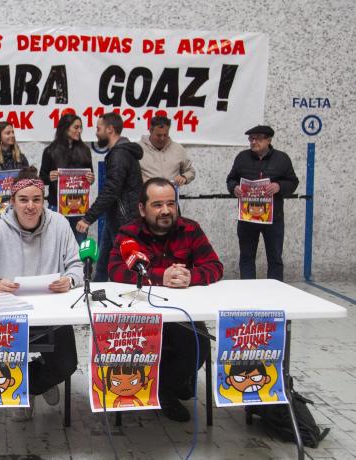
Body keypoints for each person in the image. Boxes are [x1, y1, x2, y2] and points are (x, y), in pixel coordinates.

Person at [0, 166, 83, 420]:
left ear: (43, 201)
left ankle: (30, 387)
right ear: (13, 202)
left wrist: (70, 279)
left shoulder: (59, 224)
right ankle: (23, 391)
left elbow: (76, 266)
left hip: (52, 315)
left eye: (36, 199)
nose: (31, 206)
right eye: (23, 200)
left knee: (67, 364)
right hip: (10, 316)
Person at [108, 177, 224, 422]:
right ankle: (168, 388)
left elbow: (215, 266)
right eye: (158, 205)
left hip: (182, 312)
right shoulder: (128, 233)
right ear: (142, 208)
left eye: (171, 204)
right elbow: (115, 270)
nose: (166, 211)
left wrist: (191, 276)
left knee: (198, 346)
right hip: (140, 316)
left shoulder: (190, 229)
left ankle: (165, 389)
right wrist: (161, 276)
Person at [76, 112, 143, 281]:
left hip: (124, 221)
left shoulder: (119, 155)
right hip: (115, 217)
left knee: (124, 269)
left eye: (99, 129)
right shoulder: (120, 152)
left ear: (110, 129)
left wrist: (88, 218)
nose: (97, 133)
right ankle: (98, 295)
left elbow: (111, 190)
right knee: (102, 267)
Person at [226, 125, 299, 281]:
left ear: (269, 140)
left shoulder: (282, 158)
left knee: (275, 257)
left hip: (273, 218)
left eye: (257, 138)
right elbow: (231, 179)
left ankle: (274, 290)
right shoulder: (242, 157)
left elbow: (293, 182)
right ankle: (248, 289)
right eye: (251, 139)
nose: (253, 142)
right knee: (246, 256)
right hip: (247, 217)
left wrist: (279, 186)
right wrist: (234, 188)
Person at [39, 114, 95, 243]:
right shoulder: (50, 151)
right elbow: (41, 178)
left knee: (79, 242)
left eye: (81, 127)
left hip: (79, 207)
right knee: (57, 243)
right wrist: (49, 177)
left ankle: (79, 264)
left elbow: (90, 178)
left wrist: (91, 178)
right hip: (57, 206)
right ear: (65, 128)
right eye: (76, 127)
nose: (79, 131)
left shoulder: (85, 150)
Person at [138, 116, 195, 185]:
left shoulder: (178, 149)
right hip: (146, 194)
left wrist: (184, 177)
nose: (162, 139)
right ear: (150, 130)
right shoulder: (138, 149)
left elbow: (190, 171)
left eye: (165, 135)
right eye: (158, 135)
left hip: (171, 194)